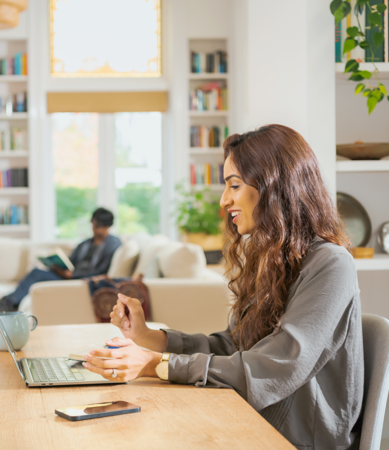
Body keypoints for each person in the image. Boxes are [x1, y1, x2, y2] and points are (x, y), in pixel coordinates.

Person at [82, 125, 364, 449]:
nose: (224, 199)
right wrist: (151, 338)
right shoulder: (269, 259)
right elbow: (234, 348)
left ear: (275, 186)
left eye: (234, 185)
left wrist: (156, 365)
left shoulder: (331, 263)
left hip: (294, 439)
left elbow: (279, 364)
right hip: (251, 419)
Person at [0, 207, 121, 312]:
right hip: (67, 276)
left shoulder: (113, 244)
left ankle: (8, 302)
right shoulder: (85, 244)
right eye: (94, 224)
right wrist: (58, 266)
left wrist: (74, 274)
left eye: (98, 225)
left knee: (36, 274)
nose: (95, 228)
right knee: (37, 271)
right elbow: (71, 262)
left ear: (107, 225)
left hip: (82, 280)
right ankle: (7, 301)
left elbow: (102, 270)